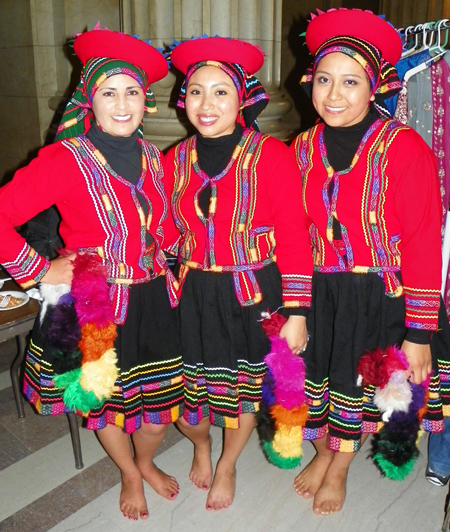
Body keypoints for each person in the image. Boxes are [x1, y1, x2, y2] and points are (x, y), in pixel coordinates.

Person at [0, 26, 183, 521]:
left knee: (158, 413)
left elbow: (160, 224)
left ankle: (143, 461)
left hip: (154, 302)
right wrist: (38, 269)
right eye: (108, 93)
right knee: (101, 401)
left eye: (132, 92)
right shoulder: (65, 159)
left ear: (146, 101)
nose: (121, 105)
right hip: (95, 304)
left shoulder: (151, 156)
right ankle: (128, 471)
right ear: (89, 100)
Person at [290, 8, 450, 516]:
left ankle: (338, 469)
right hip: (321, 293)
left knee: (362, 391)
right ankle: (324, 453)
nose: (333, 95)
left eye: (350, 82)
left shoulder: (405, 149)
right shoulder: (301, 148)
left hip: (385, 296)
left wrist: (419, 333)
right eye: (323, 80)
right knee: (320, 385)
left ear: (374, 86)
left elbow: (425, 240)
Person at [165, 36, 313, 511]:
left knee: (243, 391)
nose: (206, 105)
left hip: (252, 291)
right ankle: (202, 444)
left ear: (242, 97)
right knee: (188, 391)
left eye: (220, 91)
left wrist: (297, 312)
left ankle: (227, 463)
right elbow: (161, 230)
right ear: (182, 98)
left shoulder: (272, 155)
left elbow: (293, 237)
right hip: (191, 292)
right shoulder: (173, 160)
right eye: (195, 92)